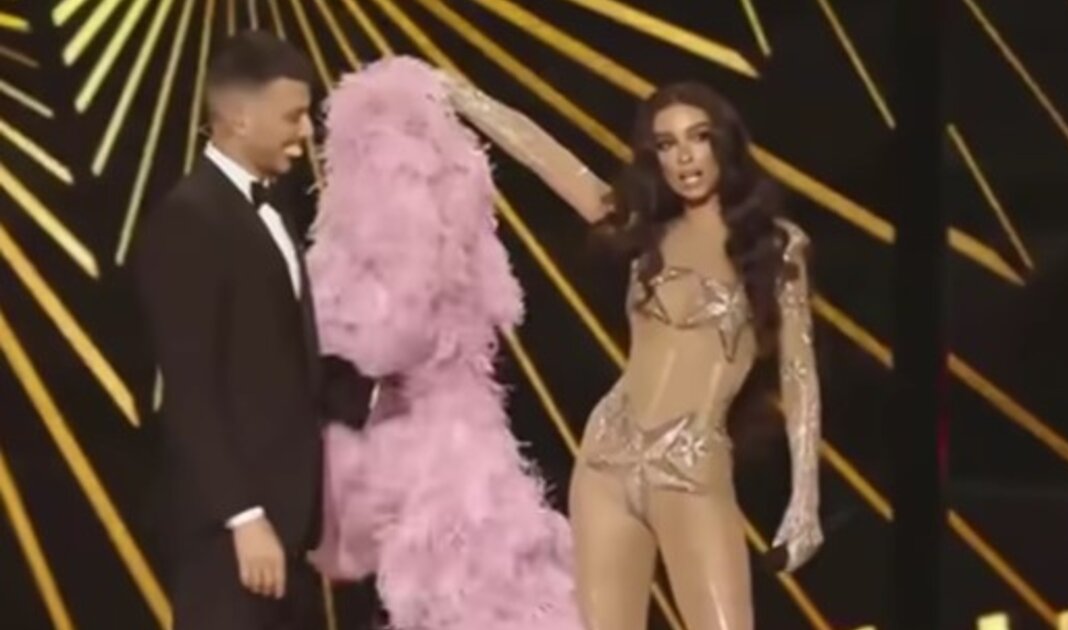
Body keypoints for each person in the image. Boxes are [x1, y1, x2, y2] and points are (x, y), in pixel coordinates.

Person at [442, 78, 824, 629]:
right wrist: (458, 93)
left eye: (698, 137)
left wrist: (805, 499)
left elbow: (798, 372)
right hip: (606, 461)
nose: (684, 156)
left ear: (724, 143)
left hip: (691, 472)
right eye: (666, 144)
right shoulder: (643, 228)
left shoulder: (778, 245)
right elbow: (543, 154)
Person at [305, 57, 581, 629]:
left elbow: (392, 340)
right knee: (467, 582)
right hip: (432, 433)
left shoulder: (425, 225)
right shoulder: (423, 219)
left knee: (473, 577)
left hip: (447, 438)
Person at [134, 31, 373, 630]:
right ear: (240, 118)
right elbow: (189, 389)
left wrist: (386, 392)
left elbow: (282, 363)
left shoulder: (267, 208)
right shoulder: (189, 219)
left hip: (288, 530)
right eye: (293, 116)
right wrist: (242, 516)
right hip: (233, 538)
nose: (307, 132)